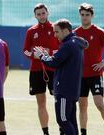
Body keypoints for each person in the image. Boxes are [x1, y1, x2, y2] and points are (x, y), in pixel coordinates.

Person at [34, 19, 88, 135]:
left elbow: (53, 62)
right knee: (71, 120)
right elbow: (59, 60)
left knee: (62, 119)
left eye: (57, 32)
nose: (55, 35)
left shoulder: (68, 45)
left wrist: (42, 56)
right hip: (72, 90)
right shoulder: (76, 42)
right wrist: (47, 56)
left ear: (65, 31)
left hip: (64, 90)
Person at [74, 3, 104, 135]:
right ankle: (83, 132)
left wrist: (103, 62)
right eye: (82, 15)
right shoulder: (75, 34)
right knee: (82, 106)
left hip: (95, 75)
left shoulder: (99, 31)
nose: (84, 17)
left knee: (99, 104)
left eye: (87, 15)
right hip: (81, 76)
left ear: (92, 16)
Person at [23, 3, 59, 135]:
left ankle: (62, 128)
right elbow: (25, 50)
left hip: (54, 69)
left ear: (47, 13)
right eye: (39, 14)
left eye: (43, 13)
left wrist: (49, 53)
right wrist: (35, 55)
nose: (41, 16)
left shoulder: (56, 28)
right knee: (41, 102)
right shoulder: (31, 31)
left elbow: (62, 48)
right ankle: (45, 132)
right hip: (36, 71)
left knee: (59, 100)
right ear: (35, 16)